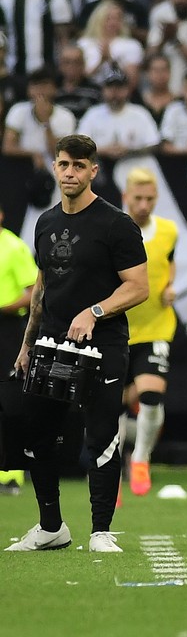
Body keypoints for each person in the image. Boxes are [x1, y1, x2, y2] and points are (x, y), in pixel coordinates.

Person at [7, 133, 149, 553]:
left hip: (102, 343)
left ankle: (101, 531)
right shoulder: (45, 222)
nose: (70, 173)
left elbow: (138, 286)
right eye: (63, 164)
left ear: (93, 171)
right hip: (50, 343)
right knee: (34, 432)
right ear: (54, 167)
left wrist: (96, 311)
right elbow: (42, 284)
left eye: (78, 166)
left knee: (102, 433)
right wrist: (27, 343)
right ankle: (51, 527)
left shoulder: (115, 224)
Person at [121, 168, 178, 496]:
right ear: (126, 197)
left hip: (156, 326)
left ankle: (141, 458)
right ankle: (111, 465)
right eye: (137, 198)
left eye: (150, 199)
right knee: (110, 404)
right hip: (118, 327)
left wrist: (170, 286)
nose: (144, 205)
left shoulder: (168, 231)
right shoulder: (115, 229)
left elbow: (169, 262)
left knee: (152, 396)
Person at [0, 200, 37, 496]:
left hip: (9, 328)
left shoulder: (13, 246)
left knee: (10, 401)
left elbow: (34, 291)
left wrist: (4, 307)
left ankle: (12, 475)